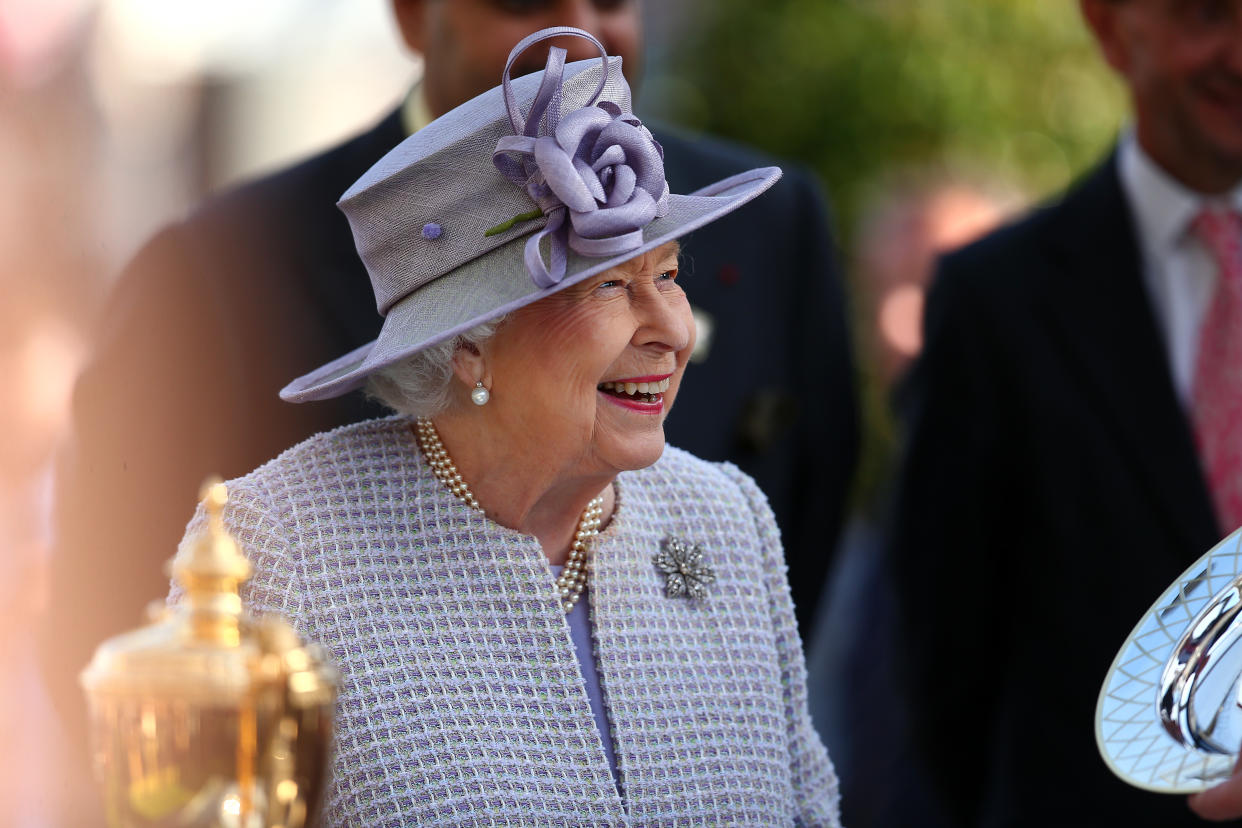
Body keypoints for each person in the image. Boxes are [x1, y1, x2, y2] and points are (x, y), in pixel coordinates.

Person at [42, 1, 856, 789]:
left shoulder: (731, 520)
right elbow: (138, 705)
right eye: (607, 285)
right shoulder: (278, 524)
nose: (573, 32)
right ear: (466, 342)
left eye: (670, 273)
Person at [887, 0, 1242, 825]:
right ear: (1112, 27)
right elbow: (948, 666)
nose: (1239, 53)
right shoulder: (996, 305)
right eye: (1206, 13)